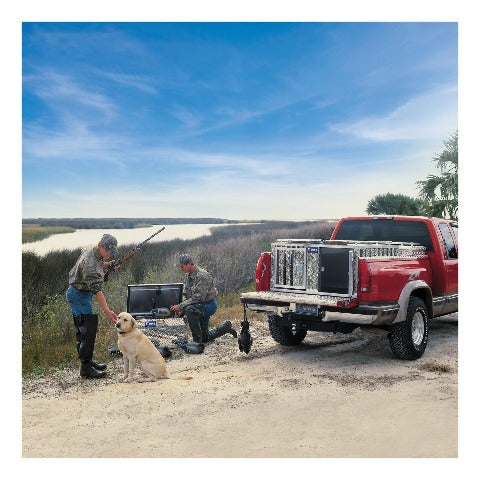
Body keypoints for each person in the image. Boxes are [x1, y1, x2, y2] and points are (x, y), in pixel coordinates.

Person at [66, 234, 119, 378]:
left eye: (112, 252)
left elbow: (97, 264)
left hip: (82, 294)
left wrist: (107, 265)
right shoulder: (91, 264)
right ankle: (86, 368)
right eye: (107, 251)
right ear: (100, 245)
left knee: (84, 330)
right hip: (78, 295)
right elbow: (97, 289)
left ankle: (87, 362)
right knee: (87, 330)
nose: (109, 254)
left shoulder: (94, 250)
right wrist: (107, 310)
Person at [170, 254, 237, 346]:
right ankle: (225, 328)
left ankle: (197, 342)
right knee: (205, 338)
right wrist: (179, 306)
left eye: (182, 266)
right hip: (198, 305)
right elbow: (187, 294)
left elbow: (198, 297)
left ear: (189, 264)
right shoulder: (188, 276)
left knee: (189, 310)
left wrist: (181, 307)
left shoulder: (202, 276)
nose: (181, 268)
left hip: (208, 305)